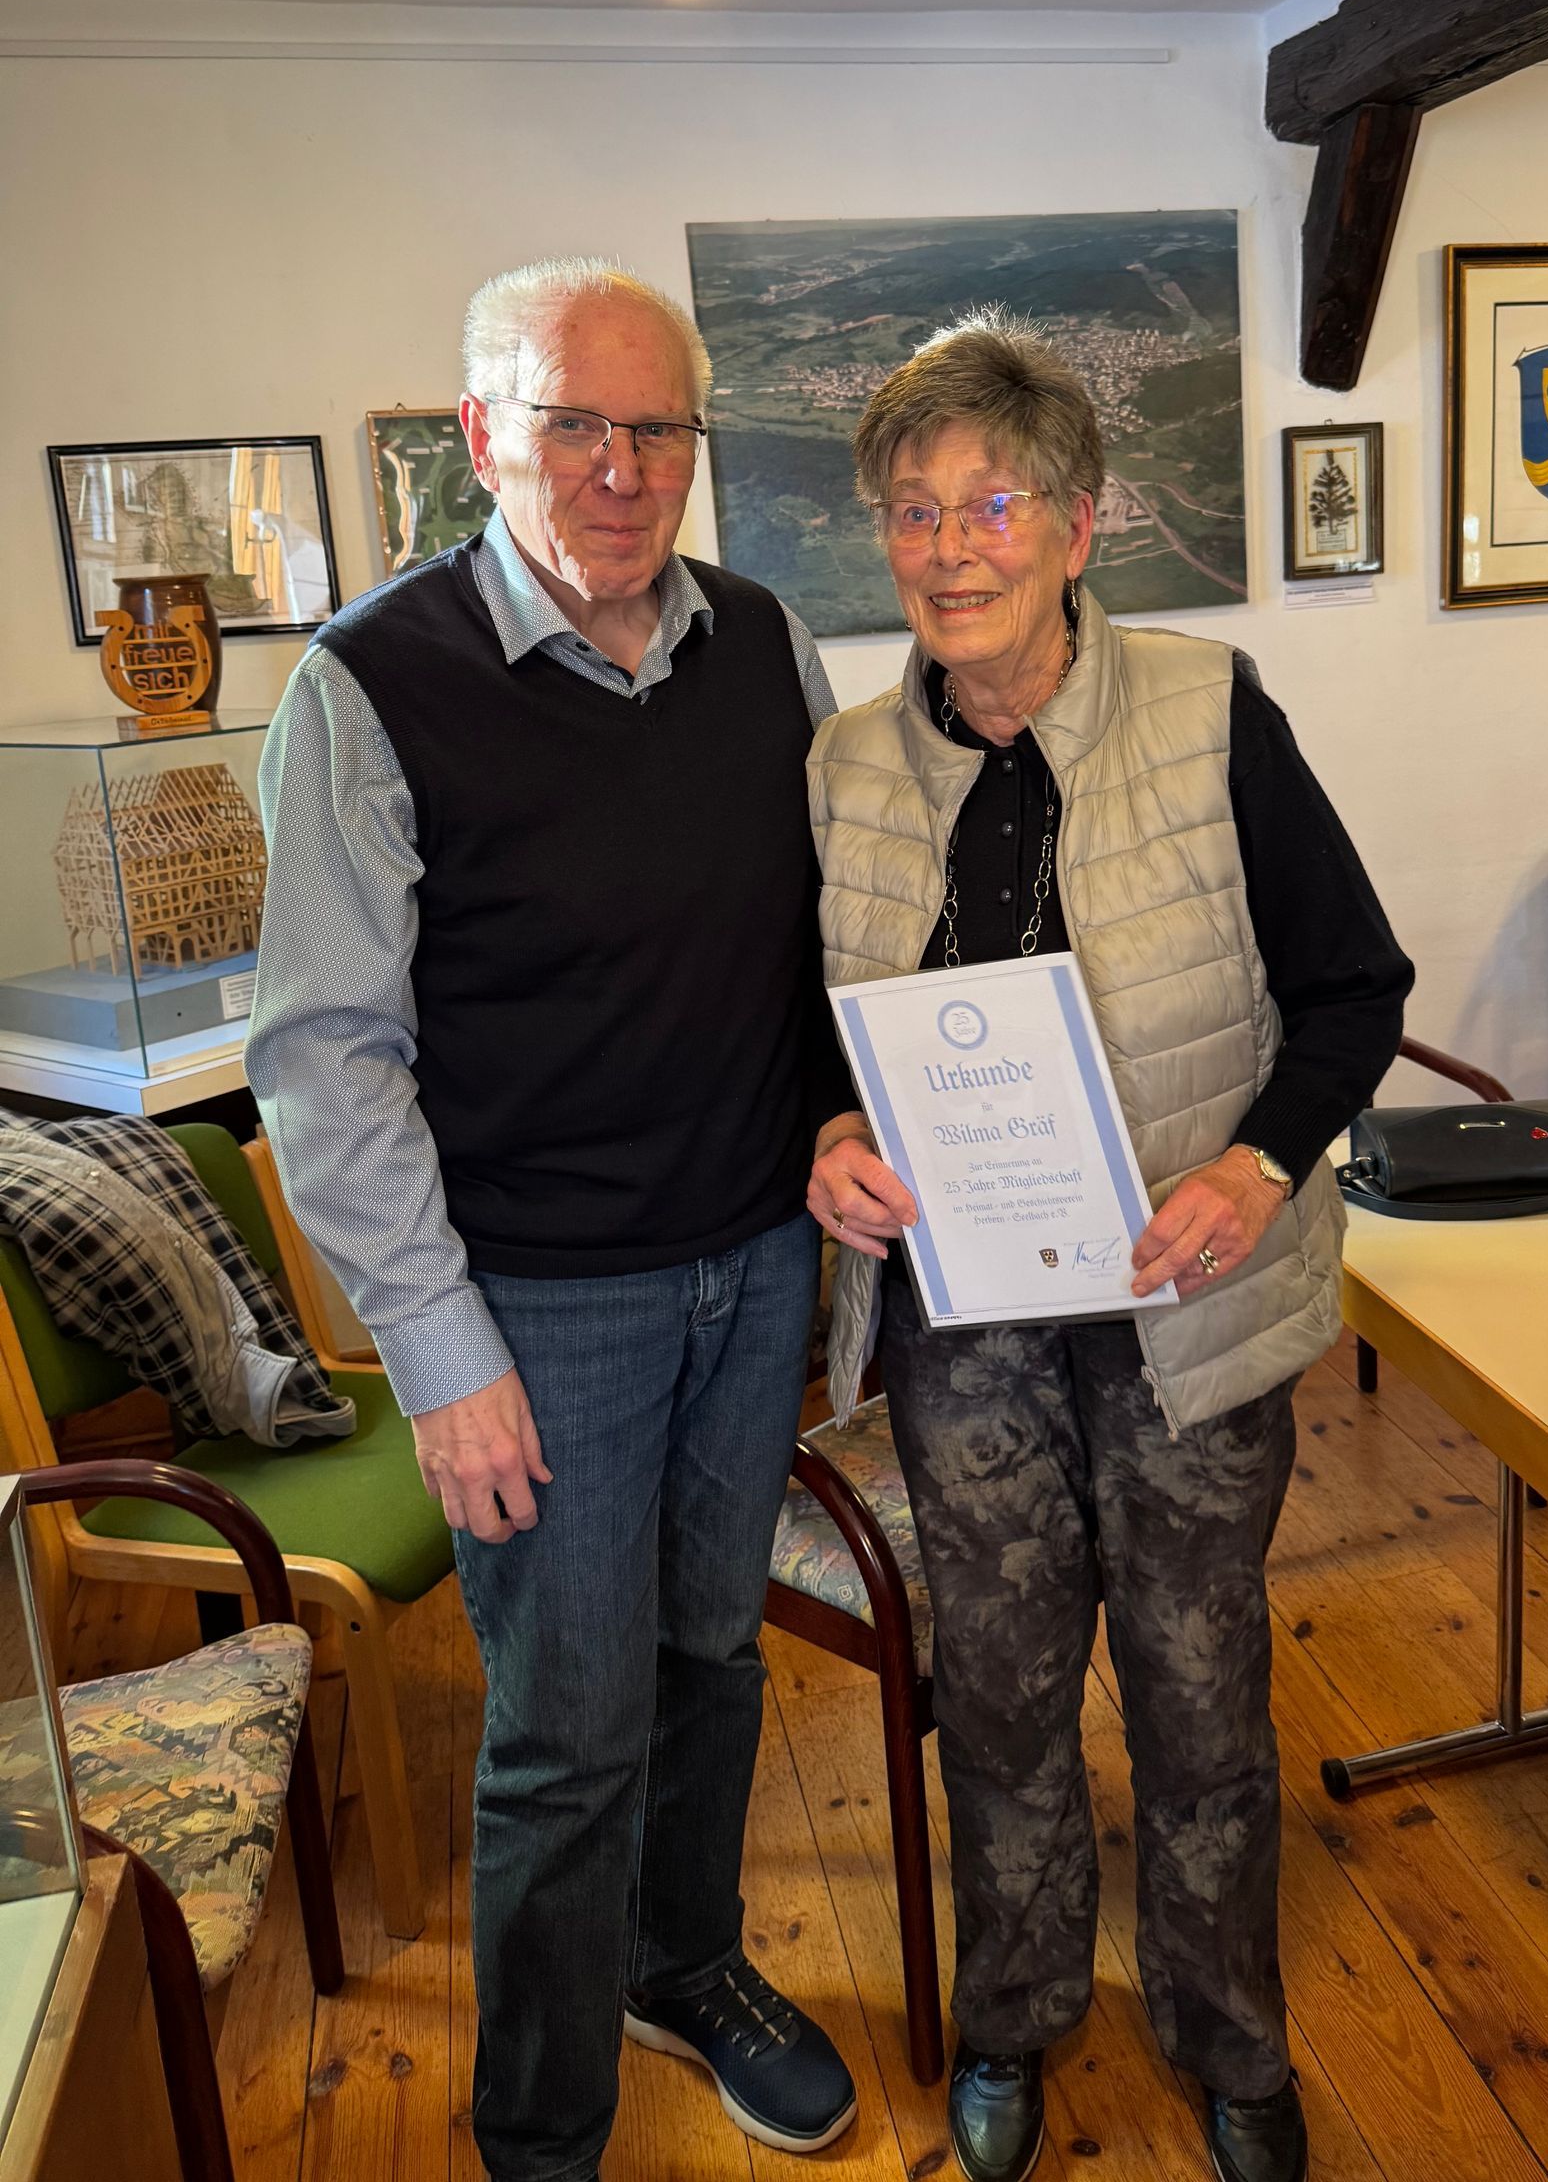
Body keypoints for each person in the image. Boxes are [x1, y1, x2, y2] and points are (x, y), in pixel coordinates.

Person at [247, 259, 856, 2182]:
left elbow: (821, 941)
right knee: (569, 1733)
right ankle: (541, 2135)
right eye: (572, 422)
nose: (619, 467)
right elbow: (326, 1060)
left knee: (715, 1659)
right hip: (540, 1310)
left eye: (657, 427)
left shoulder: (767, 645)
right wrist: (443, 1361)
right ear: (482, 434)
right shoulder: (369, 687)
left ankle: (684, 1963)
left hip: (755, 1267)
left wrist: (848, 1119)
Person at [806, 314, 1411, 2182]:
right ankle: (1016, 2019)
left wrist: (1255, 1166)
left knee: (1199, 1694)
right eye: (914, 511)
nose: (950, 547)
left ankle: (1233, 2043)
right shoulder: (841, 765)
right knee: (996, 1696)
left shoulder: (1214, 711)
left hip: (1183, 1311)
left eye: (992, 503)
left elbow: (1354, 987)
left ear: (1079, 526)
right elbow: (801, 1029)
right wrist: (827, 1138)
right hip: (966, 1330)